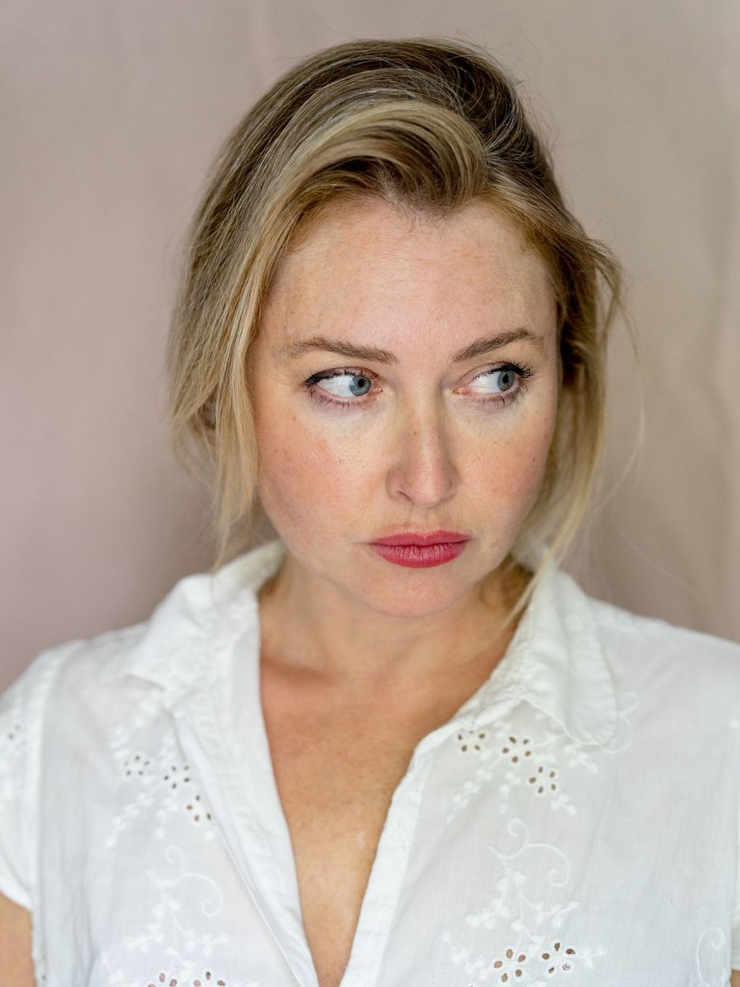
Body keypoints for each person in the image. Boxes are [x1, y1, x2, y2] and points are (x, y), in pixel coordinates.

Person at [1, 37, 738, 987]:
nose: (427, 478)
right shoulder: (55, 749)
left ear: (564, 374)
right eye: (348, 382)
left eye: (493, 377)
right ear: (228, 384)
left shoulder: (715, 747)